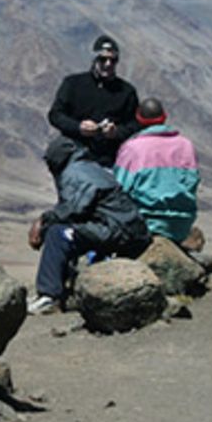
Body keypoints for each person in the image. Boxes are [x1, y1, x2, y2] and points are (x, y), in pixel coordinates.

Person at [26, 136, 151, 314]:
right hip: (125, 228)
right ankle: (61, 290)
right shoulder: (88, 167)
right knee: (70, 230)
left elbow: (72, 209)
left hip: (118, 230)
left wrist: (42, 222)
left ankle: (49, 296)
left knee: (58, 233)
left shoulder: (75, 172)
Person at [113, 98, 200, 242]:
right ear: (164, 116)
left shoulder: (133, 148)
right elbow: (192, 183)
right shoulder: (186, 145)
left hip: (145, 221)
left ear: (138, 119)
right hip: (182, 223)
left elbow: (119, 187)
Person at [47, 35, 142, 167]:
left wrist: (116, 132)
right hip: (74, 156)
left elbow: (135, 125)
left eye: (113, 60)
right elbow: (55, 115)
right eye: (103, 59)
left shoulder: (126, 92)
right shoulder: (73, 84)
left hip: (110, 160)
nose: (108, 64)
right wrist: (78, 127)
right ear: (94, 59)